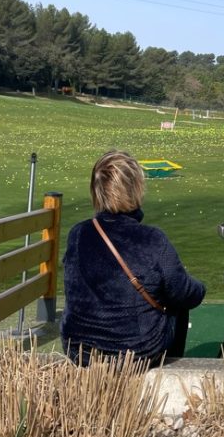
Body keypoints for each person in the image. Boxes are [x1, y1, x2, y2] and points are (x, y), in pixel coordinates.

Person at [61, 150, 205, 365]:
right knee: (176, 306)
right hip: (135, 351)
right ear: (136, 189)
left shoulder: (77, 234)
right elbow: (184, 293)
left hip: (79, 350)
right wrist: (200, 287)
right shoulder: (151, 239)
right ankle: (170, 368)